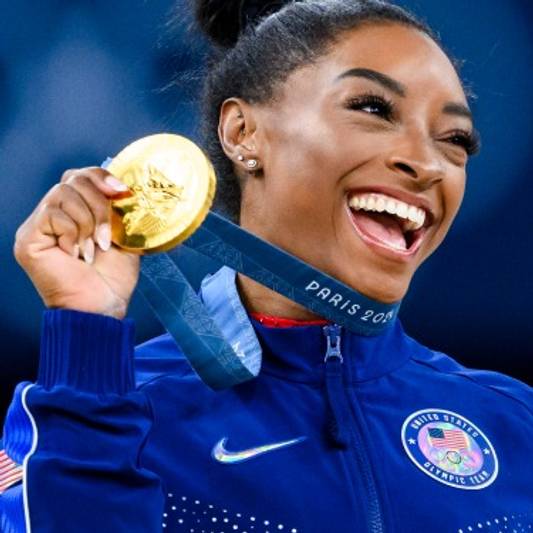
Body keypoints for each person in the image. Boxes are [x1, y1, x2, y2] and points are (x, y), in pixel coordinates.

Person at [0, 0, 531, 531]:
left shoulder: (513, 421)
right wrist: (87, 332)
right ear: (242, 133)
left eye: (455, 140)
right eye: (373, 108)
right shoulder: (97, 409)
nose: (426, 163)